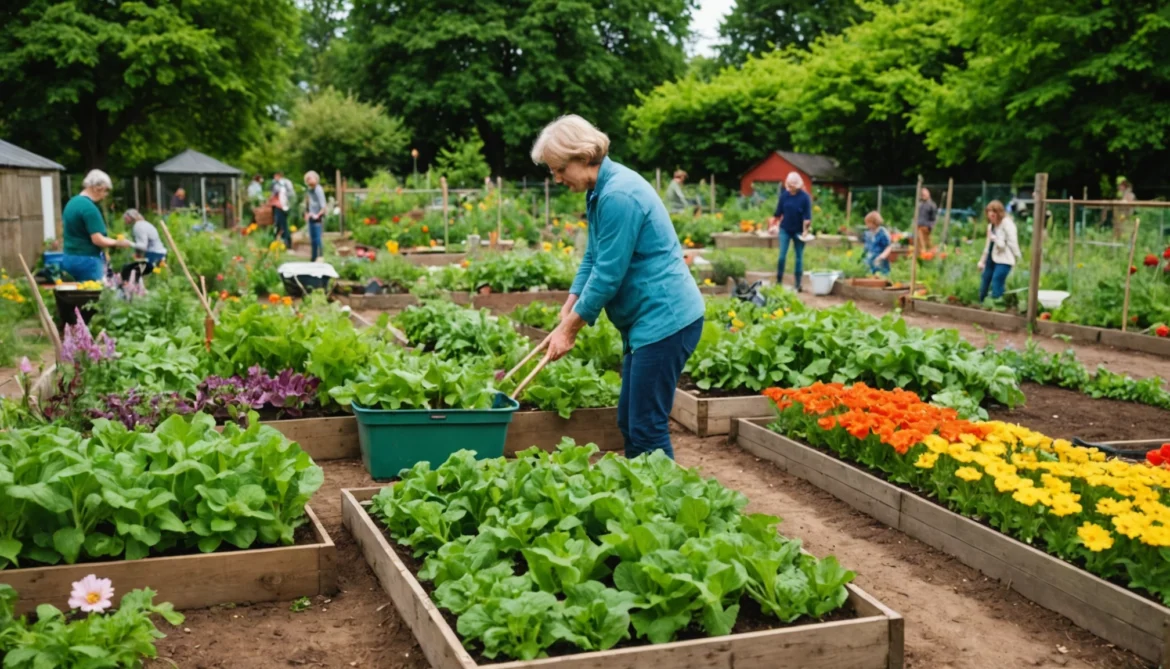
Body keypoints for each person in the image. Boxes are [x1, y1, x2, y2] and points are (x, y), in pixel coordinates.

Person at [531, 114, 704, 460]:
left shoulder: (619, 195)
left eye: (559, 169)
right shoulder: (600, 190)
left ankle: (663, 507)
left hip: (666, 320)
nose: (556, 178)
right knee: (630, 420)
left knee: (646, 426)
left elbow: (609, 275)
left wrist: (570, 331)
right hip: (647, 323)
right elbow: (594, 256)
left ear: (581, 156)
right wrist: (570, 305)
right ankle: (643, 503)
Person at [61, 170, 132, 281]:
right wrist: (118, 243)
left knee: (74, 295)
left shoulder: (71, 203)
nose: (105, 195)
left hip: (68, 257)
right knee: (95, 296)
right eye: (105, 190)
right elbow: (97, 239)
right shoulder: (89, 208)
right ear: (97, 187)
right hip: (87, 260)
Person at [768, 172, 812, 291]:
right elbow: (778, 213)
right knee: (782, 256)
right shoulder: (784, 196)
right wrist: (772, 225)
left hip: (799, 231)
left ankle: (798, 284)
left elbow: (807, 218)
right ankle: (779, 282)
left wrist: (805, 231)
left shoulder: (804, 197)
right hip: (785, 229)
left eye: (793, 185)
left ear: (798, 185)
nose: (790, 187)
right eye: (789, 185)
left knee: (798, 257)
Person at [977, 200, 1021, 302]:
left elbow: (1012, 243)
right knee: (985, 279)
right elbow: (988, 246)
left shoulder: (1007, 224)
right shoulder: (990, 226)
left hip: (1004, 259)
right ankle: (981, 304)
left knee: (997, 280)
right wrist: (982, 261)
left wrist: (1017, 257)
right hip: (991, 258)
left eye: (993, 214)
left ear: (999, 213)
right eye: (989, 214)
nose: (991, 216)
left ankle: (997, 304)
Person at [304, 171, 326, 262]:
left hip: (317, 218)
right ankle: (313, 258)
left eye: (310, 178)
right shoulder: (310, 190)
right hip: (311, 217)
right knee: (313, 239)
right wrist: (307, 213)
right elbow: (309, 204)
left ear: (316, 178)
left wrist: (318, 215)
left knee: (317, 239)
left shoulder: (318, 189)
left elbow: (323, 206)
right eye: (307, 178)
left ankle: (320, 257)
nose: (309, 180)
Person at [862, 211, 893, 276]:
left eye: (868, 223)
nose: (867, 225)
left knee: (881, 275)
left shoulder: (882, 233)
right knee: (870, 276)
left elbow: (888, 247)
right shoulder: (868, 233)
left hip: (879, 260)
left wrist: (881, 257)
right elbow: (867, 247)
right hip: (870, 260)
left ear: (874, 222)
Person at [271, 171, 292, 248]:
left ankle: (286, 242)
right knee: (278, 225)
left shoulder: (284, 184)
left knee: (283, 225)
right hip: (278, 206)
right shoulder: (276, 183)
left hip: (282, 207)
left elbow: (289, 194)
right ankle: (280, 242)